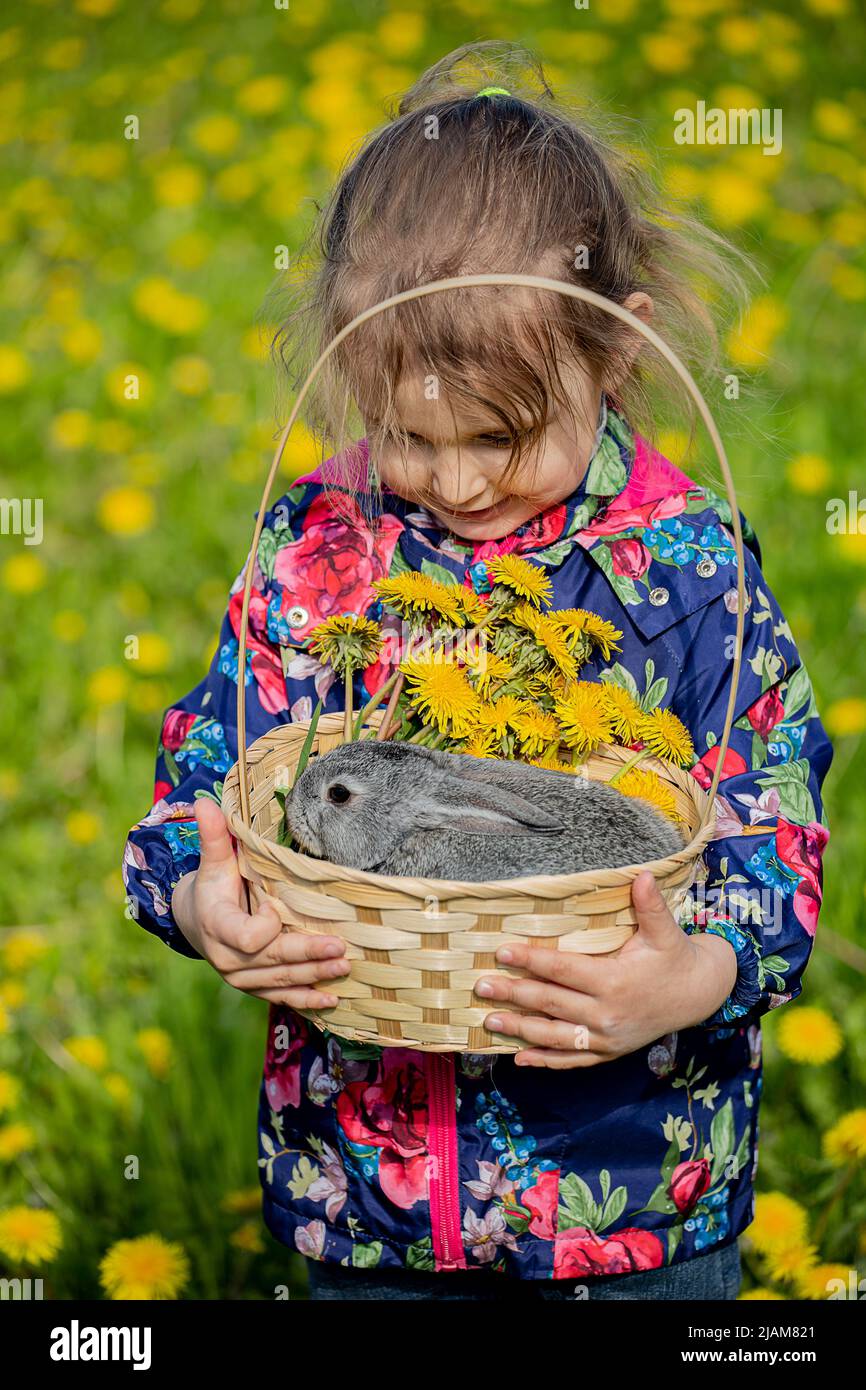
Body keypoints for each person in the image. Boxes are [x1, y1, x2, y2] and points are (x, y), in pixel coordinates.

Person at [122, 42, 833, 1300]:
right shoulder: (321, 543)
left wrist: (698, 976)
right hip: (364, 1203)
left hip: (629, 1196)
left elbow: (772, 819)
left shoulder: (679, 566)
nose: (453, 485)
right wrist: (197, 897)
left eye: (500, 437)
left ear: (616, 352)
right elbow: (212, 770)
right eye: (404, 434)